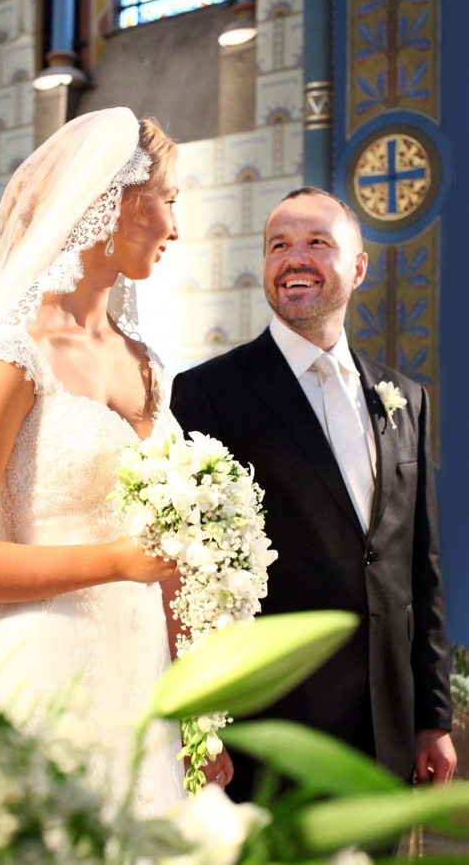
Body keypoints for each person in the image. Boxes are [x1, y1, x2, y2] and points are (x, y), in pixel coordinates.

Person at [0, 108, 231, 813]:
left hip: (143, 676)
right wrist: (116, 561)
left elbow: (165, 553)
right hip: (38, 672)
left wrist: (196, 717)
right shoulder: (13, 358)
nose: (177, 228)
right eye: (170, 199)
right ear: (117, 199)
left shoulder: (148, 364)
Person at [171, 187, 456, 800]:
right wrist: (203, 725)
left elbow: (420, 569)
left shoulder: (406, 399)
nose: (294, 258)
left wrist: (432, 716)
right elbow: (188, 578)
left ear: (358, 266)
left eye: (317, 242)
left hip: (386, 732)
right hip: (270, 727)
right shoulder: (208, 394)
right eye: (278, 245)